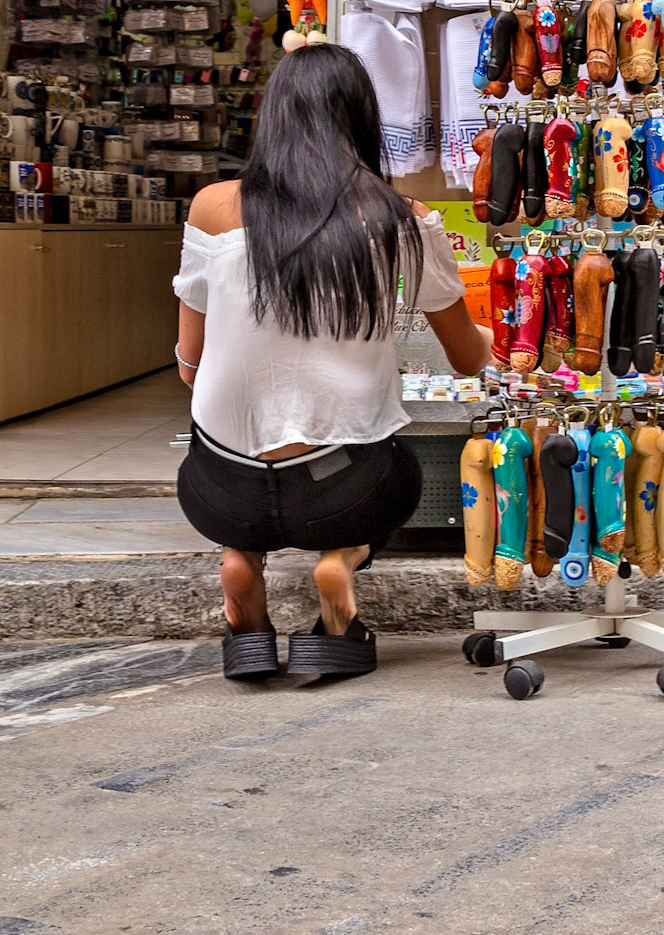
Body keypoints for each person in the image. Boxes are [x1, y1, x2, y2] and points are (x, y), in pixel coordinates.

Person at [173, 43, 491, 681]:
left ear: (275, 117)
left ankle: (242, 560)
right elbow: (465, 359)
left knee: (239, 453)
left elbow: (190, 362)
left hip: (219, 488)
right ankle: (339, 563)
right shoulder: (404, 218)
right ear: (362, 120)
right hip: (344, 490)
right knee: (400, 468)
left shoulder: (213, 206)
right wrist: (502, 342)